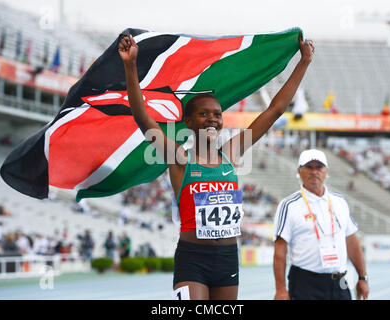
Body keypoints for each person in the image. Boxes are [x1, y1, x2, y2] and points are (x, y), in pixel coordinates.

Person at [119, 33, 314, 300]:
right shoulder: (179, 159)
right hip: (193, 259)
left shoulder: (231, 154)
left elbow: (275, 110)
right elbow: (143, 118)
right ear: (188, 121)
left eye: (217, 114)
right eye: (204, 114)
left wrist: (303, 62)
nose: (212, 119)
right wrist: (131, 65)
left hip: (227, 259)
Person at [273, 149, 369, 300]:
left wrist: (362, 277)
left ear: (326, 171)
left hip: (340, 280)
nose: (314, 171)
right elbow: (280, 248)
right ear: (299, 171)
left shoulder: (339, 201)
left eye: (319, 167)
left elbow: (351, 240)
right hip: (305, 282)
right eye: (309, 167)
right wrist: (280, 288)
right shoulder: (289, 205)